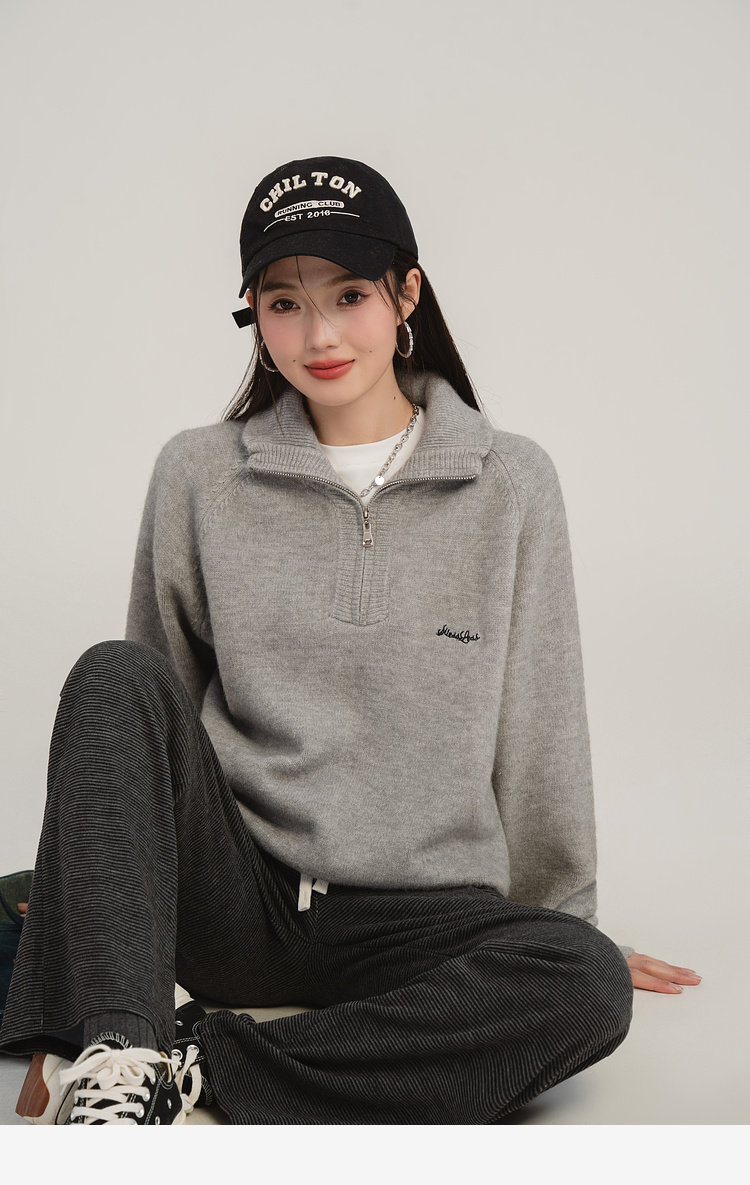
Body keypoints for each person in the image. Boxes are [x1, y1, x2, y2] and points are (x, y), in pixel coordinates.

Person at [1, 155, 701, 1126]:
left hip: (421, 919)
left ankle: (193, 1069)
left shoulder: (510, 483)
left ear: (406, 292)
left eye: (350, 295)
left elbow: (541, 725)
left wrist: (555, 926)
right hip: (235, 899)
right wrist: (113, 909)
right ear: (254, 315)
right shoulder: (199, 474)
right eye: (284, 304)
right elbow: (146, 717)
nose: (320, 334)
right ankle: (118, 1048)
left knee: (581, 982)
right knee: (114, 674)